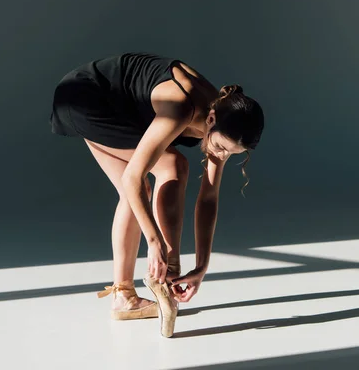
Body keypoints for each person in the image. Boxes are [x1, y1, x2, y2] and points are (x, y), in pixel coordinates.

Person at [49, 52, 264, 337]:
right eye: (221, 147)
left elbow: (208, 198)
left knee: (136, 193)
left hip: (118, 105)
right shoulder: (182, 108)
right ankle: (168, 272)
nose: (220, 155)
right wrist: (155, 243)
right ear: (210, 119)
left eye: (230, 153)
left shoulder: (223, 119)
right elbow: (133, 176)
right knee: (172, 165)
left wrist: (202, 265)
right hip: (85, 95)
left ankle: (124, 297)